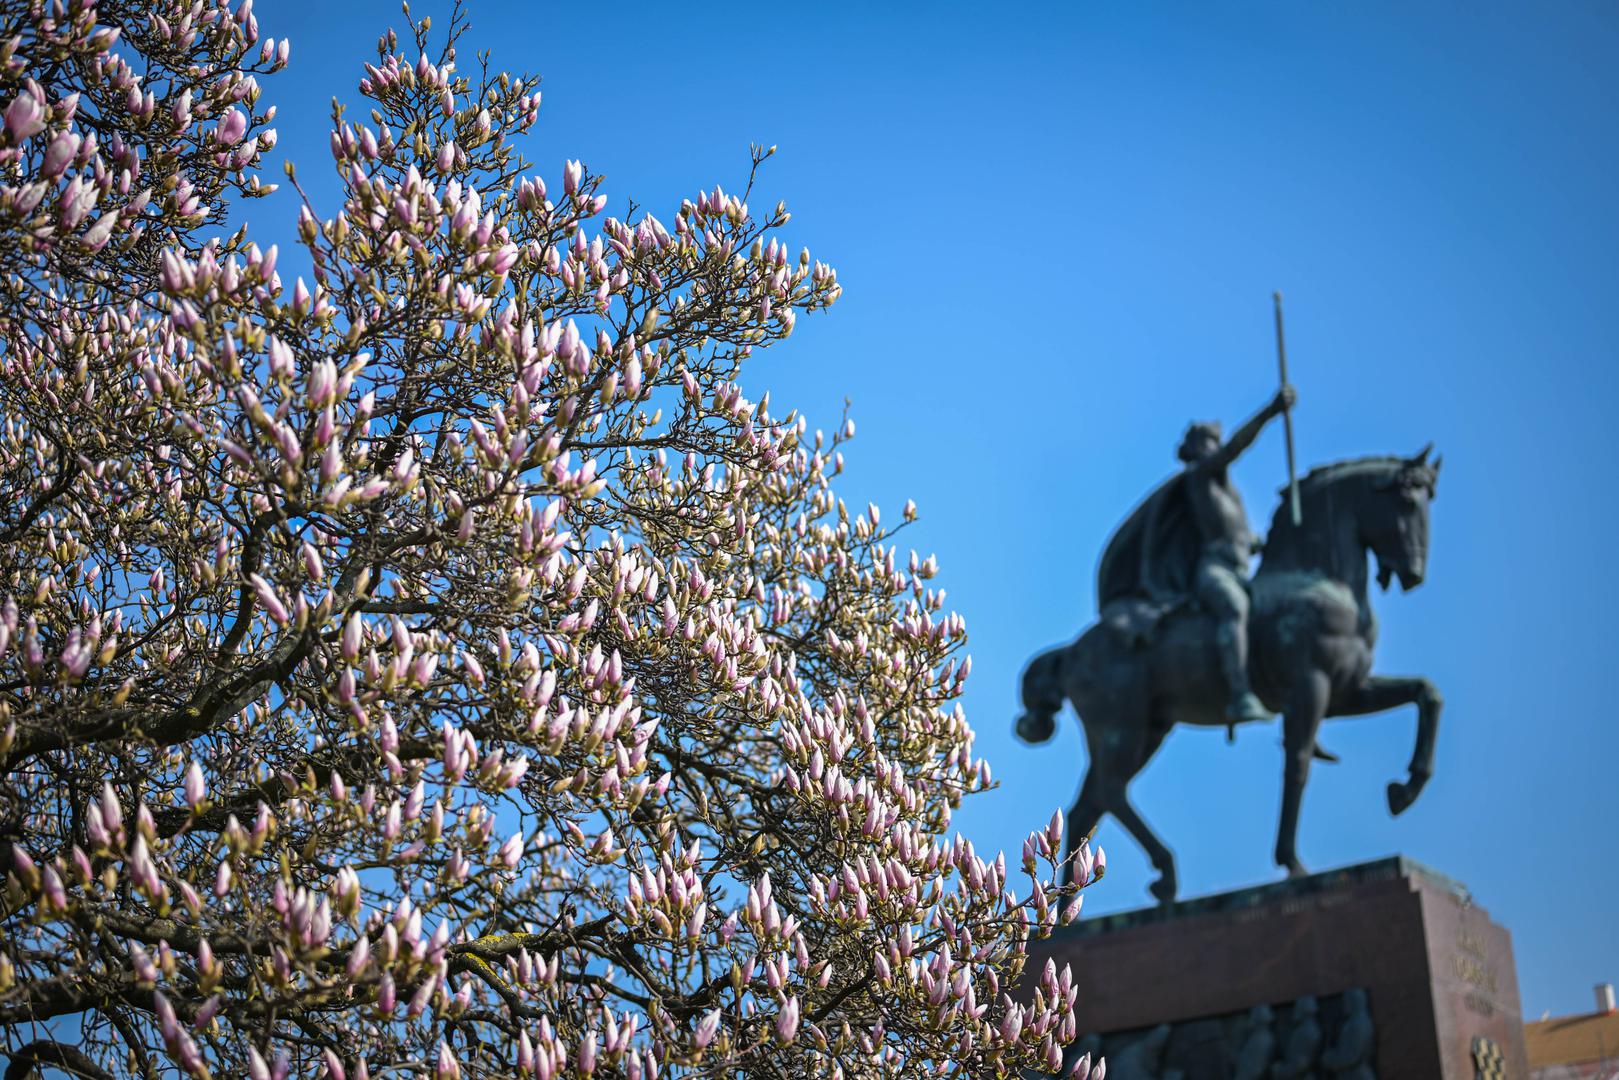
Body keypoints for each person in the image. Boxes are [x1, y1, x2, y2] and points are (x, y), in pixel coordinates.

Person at [1095, 385, 1296, 726]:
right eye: (1207, 441)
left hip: (1240, 570)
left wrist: (1256, 543)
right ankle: (1238, 693)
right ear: (1196, 449)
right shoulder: (1200, 476)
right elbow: (1237, 447)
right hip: (1214, 571)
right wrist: (1269, 412)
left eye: (1214, 441)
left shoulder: (1227, 490)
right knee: (1234, 608)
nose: (1215, 446)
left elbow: (1234, 533)